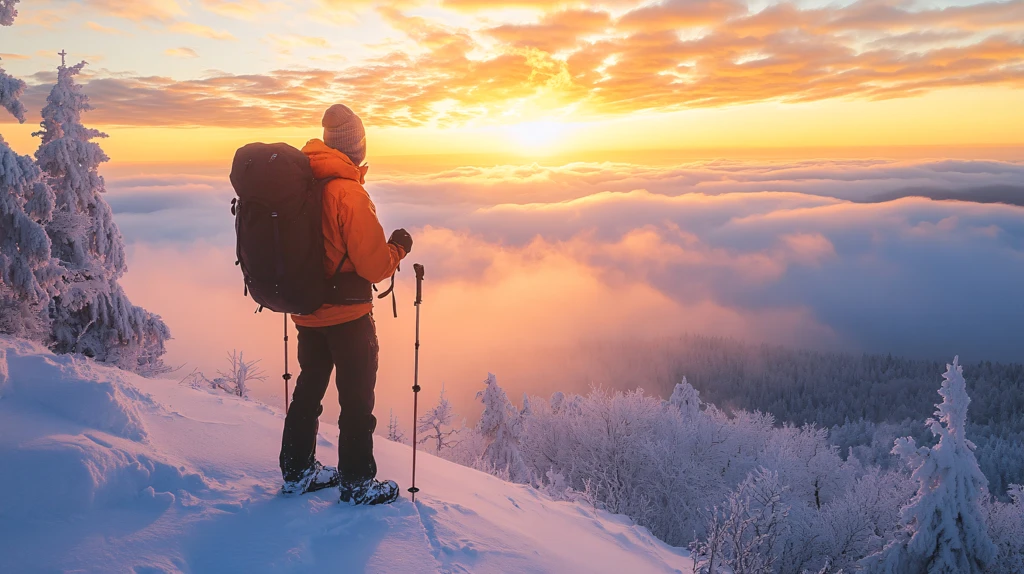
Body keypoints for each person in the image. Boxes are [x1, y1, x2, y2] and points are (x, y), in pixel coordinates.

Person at [278, 103, 413, 505]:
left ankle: (297, 471)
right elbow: (373, 266)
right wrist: (398, 249)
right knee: (356, 400)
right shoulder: (347, 192)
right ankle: (357, 483)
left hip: (306, 309)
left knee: (308, 389)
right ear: (357, 146)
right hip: (349, 315)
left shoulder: (302, 184)